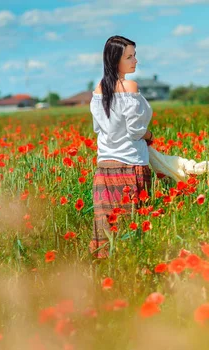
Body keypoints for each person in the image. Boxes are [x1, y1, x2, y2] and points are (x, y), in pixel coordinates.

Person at [90, 35, 154, 258]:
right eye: (129, 57)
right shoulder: (129, 86)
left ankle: (105, 276)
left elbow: (99, 129)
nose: (135, 60)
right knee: (133, 228)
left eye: (134, 55)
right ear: (115, 60)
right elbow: (135, 130)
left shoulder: (99, 89)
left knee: (106, 233)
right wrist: (149, 135)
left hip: (105, 168)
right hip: (130, 165)